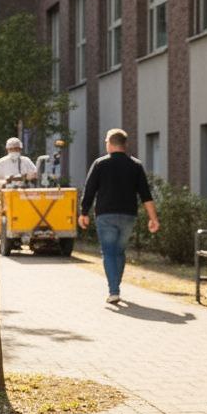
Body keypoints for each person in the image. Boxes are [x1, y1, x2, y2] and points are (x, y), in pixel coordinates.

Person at [78, 128, 160, 305]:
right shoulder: (135, 165)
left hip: (105, 216)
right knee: (119, 251)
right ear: (125, 144)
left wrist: (83, 213)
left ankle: (114, 290)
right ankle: (116, 286)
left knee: (108, 252)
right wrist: (153, 218)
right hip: (128, 216)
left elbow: (89, 190)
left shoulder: (100, 164)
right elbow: (146, 195)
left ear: (109, 143)